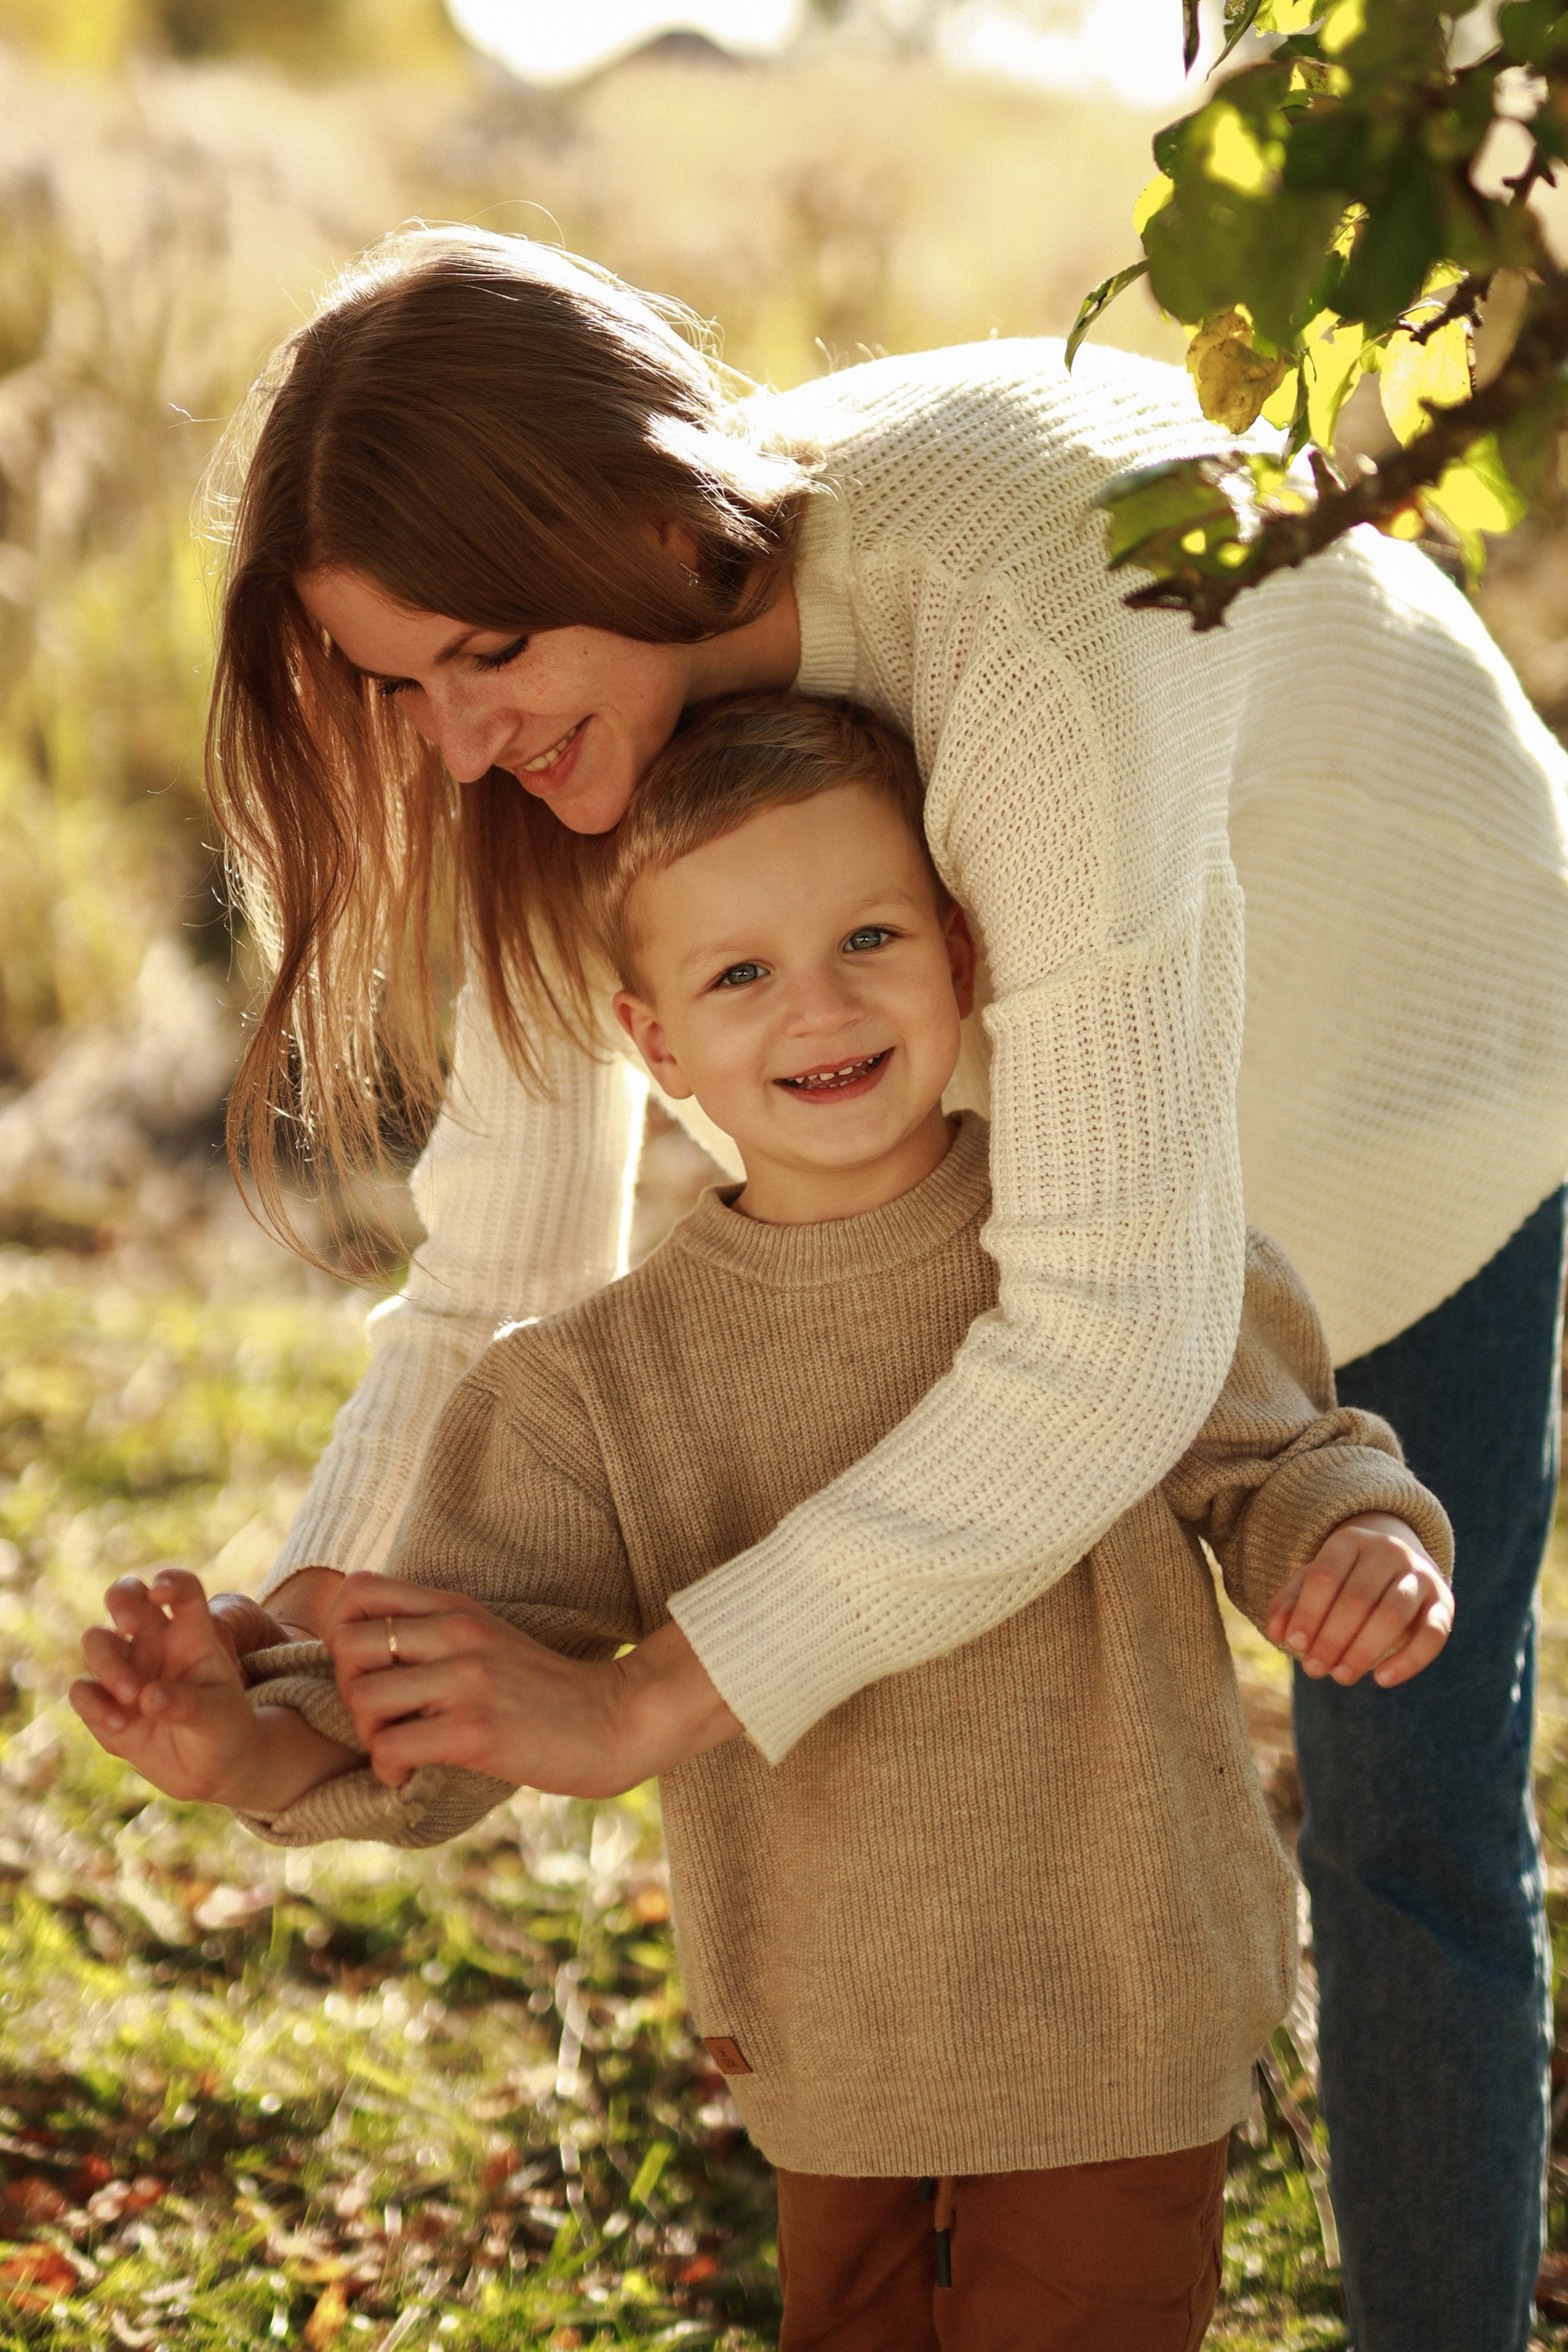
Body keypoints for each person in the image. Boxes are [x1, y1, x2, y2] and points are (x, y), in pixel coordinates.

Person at [178, 224, 1568, 2349]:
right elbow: (503, 1272)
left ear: (638, 521)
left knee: (1401, 1810)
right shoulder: (594, 719)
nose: (453, 743)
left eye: (476, 651)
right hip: (1061, 1133)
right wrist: (303, 1653)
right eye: (396, 685)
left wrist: (645, 1698)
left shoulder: (1015, 618)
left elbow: (1117, 1344)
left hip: (1411, 1044)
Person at [73, 695, 1457, 2350]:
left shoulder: (1110, 1242)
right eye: (739, 973)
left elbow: (1285, 1458)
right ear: (652, 1044)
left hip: (1121, 2000)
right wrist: (247, 1751)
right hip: (827, 2040)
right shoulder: (602, 1383)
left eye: (867, 934)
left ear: (958, 947)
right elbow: (450, 1674)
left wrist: (1355, 1538)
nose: (821, 1000)